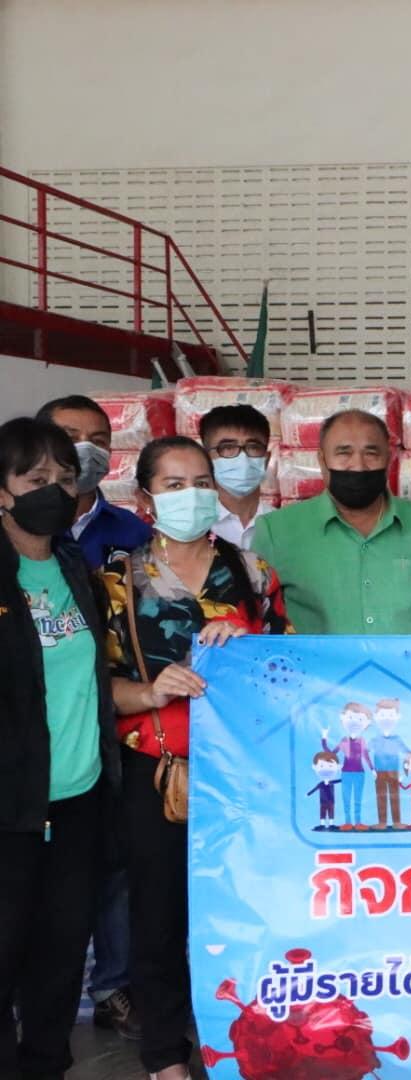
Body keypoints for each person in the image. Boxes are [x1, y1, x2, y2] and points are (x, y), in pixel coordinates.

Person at [105, 435, 291, 1080]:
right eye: (175, 485)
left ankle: (249, 1041)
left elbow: (289, 668)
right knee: (157, 913)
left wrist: (247, 643)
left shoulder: (251, 572)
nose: (193, 495)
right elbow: (96, 687)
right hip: (160, 772)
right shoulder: (116, 582)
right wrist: (150, 691)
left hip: (243, 773)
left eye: (202, 482)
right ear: (145, 498)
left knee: (243, 908)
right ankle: (164, 1053)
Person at [0, 418, 119, 1080]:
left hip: (78, 798)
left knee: (60, 957)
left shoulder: (75, 567)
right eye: (35, 478)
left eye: (66, 479)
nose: (54, 491)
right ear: (2, 490)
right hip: (10, 805)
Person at [35, 395, 141, 1042]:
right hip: (30, 739)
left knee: (112, 865)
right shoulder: (19, 534)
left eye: (98, 437)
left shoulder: (129, 534)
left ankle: (112, 986)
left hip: (105, 726)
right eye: (70, 435)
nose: (85, 449)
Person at [254, 410, 411, 634]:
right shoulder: (276, 532)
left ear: (389, 459)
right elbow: (257, 618)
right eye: (344, 453)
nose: (358, 465)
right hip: (315, 659)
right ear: (322, 460)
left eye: (371, 453)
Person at [36, 395, 150, 570]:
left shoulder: (134, 530)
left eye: (98, 441)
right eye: (70, 439)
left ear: (109, 453)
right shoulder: (17, 526)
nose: (86, 449)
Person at [200, 403, 271, 550]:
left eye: (253, 447)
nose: (242, 458)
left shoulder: (280, 524)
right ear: (206, 459)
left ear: (266, 459)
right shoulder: (196, 526)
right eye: (227, 447)